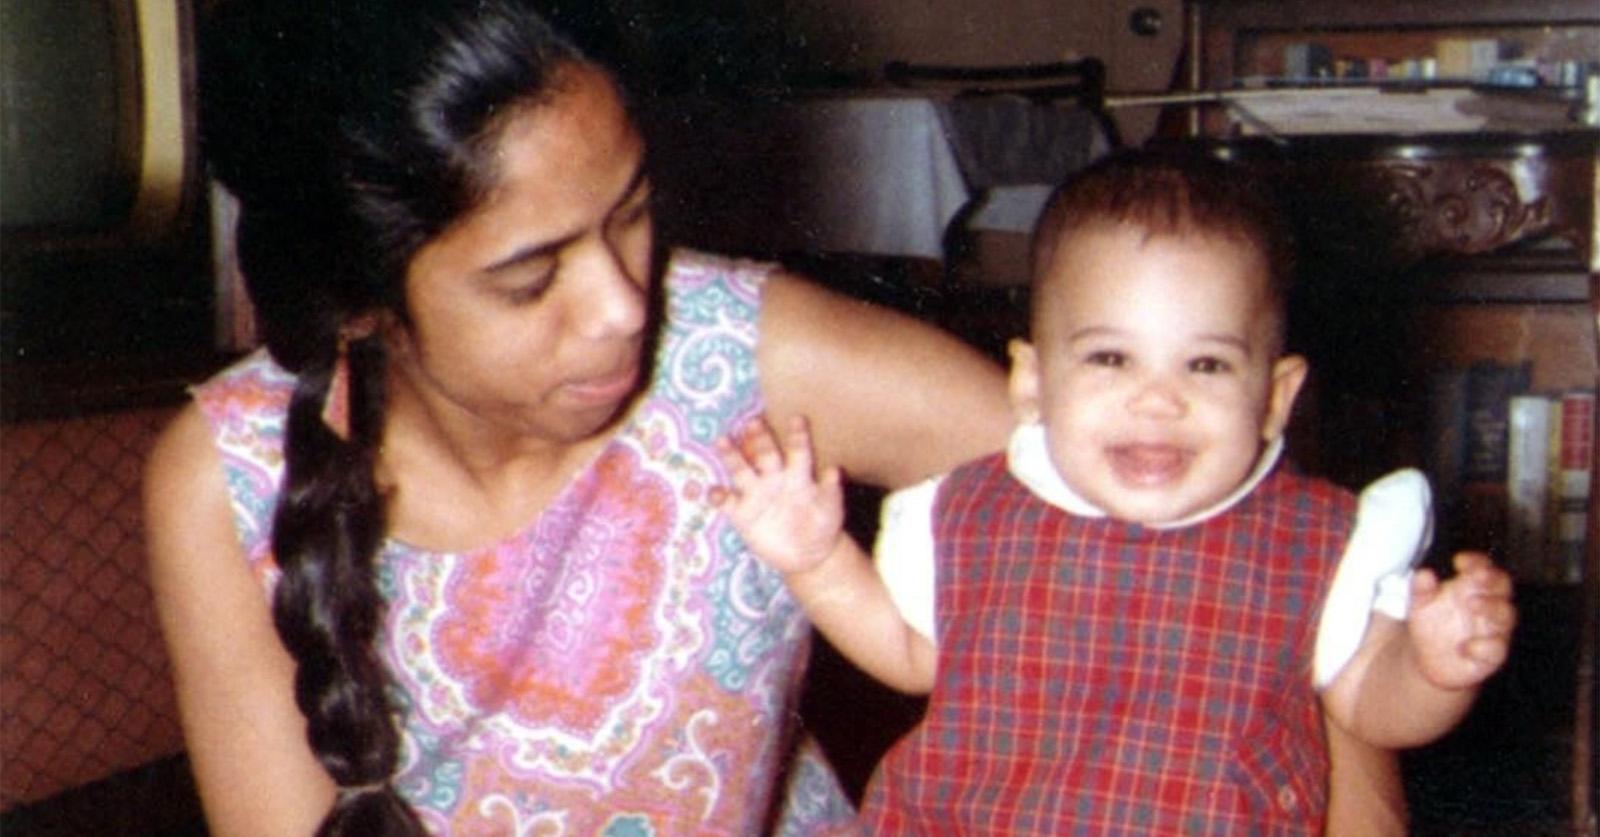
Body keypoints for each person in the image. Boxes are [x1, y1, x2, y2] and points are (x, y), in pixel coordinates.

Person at [140, 2, 1017, 834]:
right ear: (358, 303)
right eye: (530, 278)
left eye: (632, 213)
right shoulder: (229, 478)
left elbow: (1099, 467)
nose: (623, 307)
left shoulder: (741, 356)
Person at [715, 150, 1517, 834]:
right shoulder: (967, 512)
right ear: (1032, 380)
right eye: (1109, 360)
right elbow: (906, 652)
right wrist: (817, 559)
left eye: (1204, 365)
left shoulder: (1318, 540)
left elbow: (1373, 704)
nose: (1156, 400)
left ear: (1274, 397)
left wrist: (1436, 668)